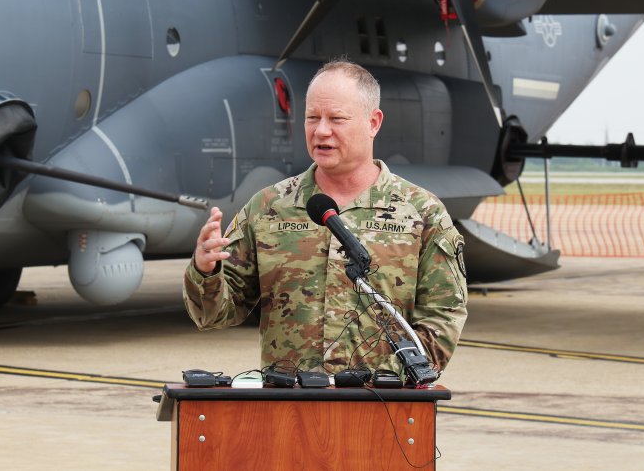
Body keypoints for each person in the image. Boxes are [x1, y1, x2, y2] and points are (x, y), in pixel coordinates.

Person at [183, 59, 467, 377]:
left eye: (336, 119)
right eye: (312, 118)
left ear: (373, 123)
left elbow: (444, 316)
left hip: (384, 408)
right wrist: (205, 271)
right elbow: (214, 314)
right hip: (290, 410)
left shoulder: (422, 213)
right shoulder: (268, 208)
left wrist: (384, 381)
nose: (321, 130)